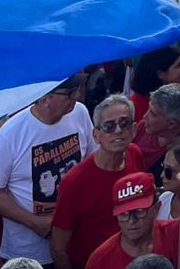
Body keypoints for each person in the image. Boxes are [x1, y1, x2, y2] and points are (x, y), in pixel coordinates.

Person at [0, 75, 97, 267]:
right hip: (29, 253)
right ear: (45, 99)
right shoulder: (10, 134)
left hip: (75, 240)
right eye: (69, 92)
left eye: (79, 88)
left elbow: (92, 162)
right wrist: (34, 222)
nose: (77, 95)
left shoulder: (80, 113)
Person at [51, 95, 146, 269]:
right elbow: (58, 247)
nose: (118, 131)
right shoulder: (74, 182)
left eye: (124, 123)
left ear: (134, 129)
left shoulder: (135, 154)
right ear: (96, 136)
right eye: (109, 126)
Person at [82, 164, 180, 269]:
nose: (132, 221)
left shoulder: (173, 233)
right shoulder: (100, 260)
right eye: (124, 214)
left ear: (157, 208)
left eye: (139, 211)